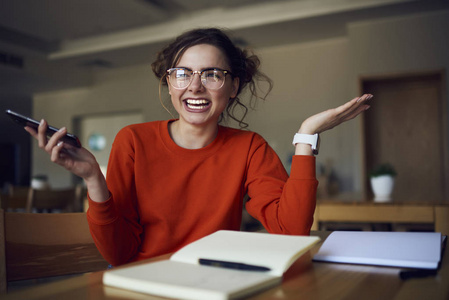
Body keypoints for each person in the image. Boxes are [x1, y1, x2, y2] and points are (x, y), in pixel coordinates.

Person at [26, 28, 372, 266]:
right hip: (141, 284)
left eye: (211, 74)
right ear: (170, 82)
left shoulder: (249, 148)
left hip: (215, 282)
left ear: (232, 86)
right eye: (182, 73)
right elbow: (119, 252)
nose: (195, 86)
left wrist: (306, 135)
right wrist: (92, 180)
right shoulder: (133, 140)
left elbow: (292, 230)